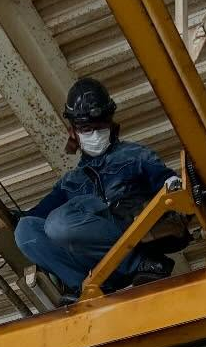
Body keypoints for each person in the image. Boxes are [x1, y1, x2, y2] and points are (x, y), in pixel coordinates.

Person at [14, 77, 181, 300]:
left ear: (110, 122)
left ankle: (143, 263)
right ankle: (83, 285)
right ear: (73, 131)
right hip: (94, 266)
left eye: (100, 126)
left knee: (60, 223)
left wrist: (173, 188)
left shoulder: (134, 156)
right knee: (25, 230)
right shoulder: (70, 181)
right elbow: (35, 216)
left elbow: (167, 182)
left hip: (132, 240)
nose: (94, 134)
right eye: (86, 128)